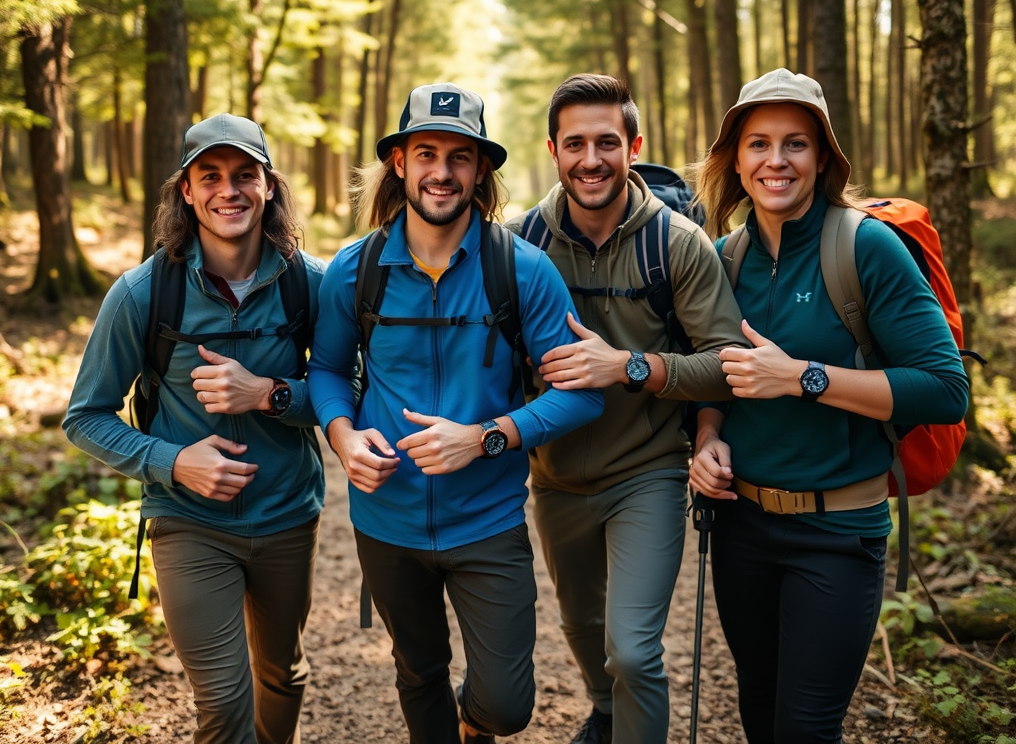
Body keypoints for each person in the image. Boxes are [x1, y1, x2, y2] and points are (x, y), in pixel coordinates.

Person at [306, 82, 604, 744]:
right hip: (387, 522)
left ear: (481, 169)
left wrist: (487, 438)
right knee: (419, 673)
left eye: (459, 157)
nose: (442, 172)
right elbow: (325, 371)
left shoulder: (522, 272)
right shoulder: (355, 272)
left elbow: (583, 391)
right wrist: (342, 435)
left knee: (505, 707)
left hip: (488, 522)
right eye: (426, 153)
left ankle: (476, 724)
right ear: (400, 163)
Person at [688, 68, 969, 743]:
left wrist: (805, 377)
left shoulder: (864, 247)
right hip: (742, 528)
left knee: (806, 728)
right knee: (758, 706)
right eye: (758, 144)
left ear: (823, 158)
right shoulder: (724, 259)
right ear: (735, 159)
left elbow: (945, 387)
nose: (775, 161)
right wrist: (705, 439)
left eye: (795, 144)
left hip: (839, 533)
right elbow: (720, 381)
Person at [63, 113, 327, 744]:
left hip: (289, 513)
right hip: (189, 525)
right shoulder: (140, 295)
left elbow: (358, 392)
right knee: (224, 703)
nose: (228, 191)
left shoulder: (312, 285)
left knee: (284, 675)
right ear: (187, 191)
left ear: (269, 187)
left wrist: (270, 393)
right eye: (210, 176)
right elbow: (86, 416)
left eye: (245, 175)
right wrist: (174, 462)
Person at [502, 73, 746, 744]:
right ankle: (607, 715)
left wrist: (630, 367)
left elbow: (727, 365)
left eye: (606, 142)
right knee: (585, 633)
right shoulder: (521, 245)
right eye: (574, 143)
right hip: (554, 479)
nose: (590, 159)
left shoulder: (678, 243)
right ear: (552, 149)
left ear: (633, 146)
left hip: (648, 473)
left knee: (633, 649)